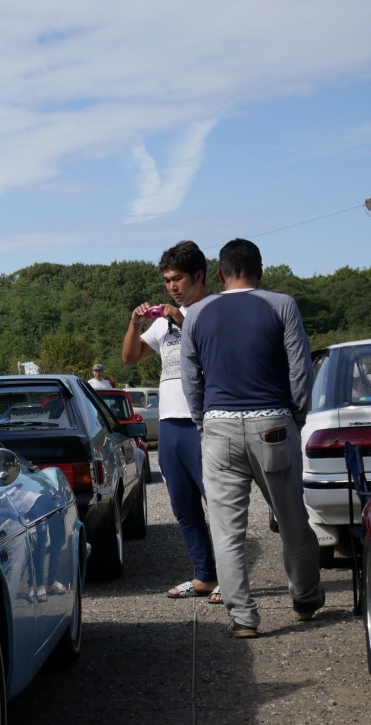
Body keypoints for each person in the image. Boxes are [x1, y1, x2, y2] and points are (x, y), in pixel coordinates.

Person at [181, 238, 324, 638]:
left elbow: (191, 380)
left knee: (228, 530)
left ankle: (244, 617)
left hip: (218, 427)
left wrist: (203, 419)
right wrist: (295, 415)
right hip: (273, 424)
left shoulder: (197, 314)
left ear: (221, 275)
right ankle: (305, 598)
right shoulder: (281, 305)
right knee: (292, 518)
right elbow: (301, 370)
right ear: (259, 273)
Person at [122, 240, 218, 601]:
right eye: (166, 281)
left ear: (199, 275)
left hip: (204, 421)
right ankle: (204, 576)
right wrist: (135, 323)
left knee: (218, 504)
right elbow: (130, 357)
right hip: (170, 423)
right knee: (183, 506)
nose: (172, 287)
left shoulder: (214, 310)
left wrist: (183, 320)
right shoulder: (164, 323)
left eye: (178, 278)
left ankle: (230, 578)